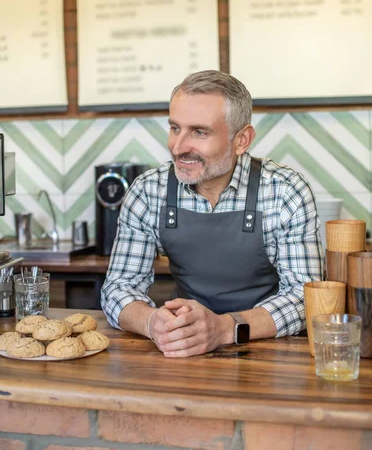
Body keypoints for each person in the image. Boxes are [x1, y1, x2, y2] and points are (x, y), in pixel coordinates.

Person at [101, 70, 323, 357]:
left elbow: (304, 299)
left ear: (242, 139)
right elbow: (118, 288)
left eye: (199, 132)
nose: (178, 147)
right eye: (175, 128)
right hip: (183, 351)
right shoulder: (148, 190)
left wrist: (223, 328)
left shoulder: (285, 191)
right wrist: (154, 322)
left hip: (268, 353)